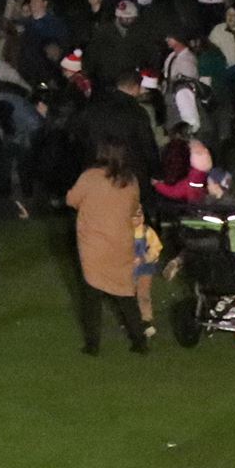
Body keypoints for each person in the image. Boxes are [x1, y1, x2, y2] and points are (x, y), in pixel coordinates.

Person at [66, 141, 150, 355]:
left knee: (91, 294)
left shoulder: (90, 177)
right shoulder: (130, 180)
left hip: (94, 245)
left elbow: (72, 199)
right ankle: (139, 341)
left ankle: (92, 344)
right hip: (121, 242)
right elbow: (134, 207)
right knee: (125, 293)